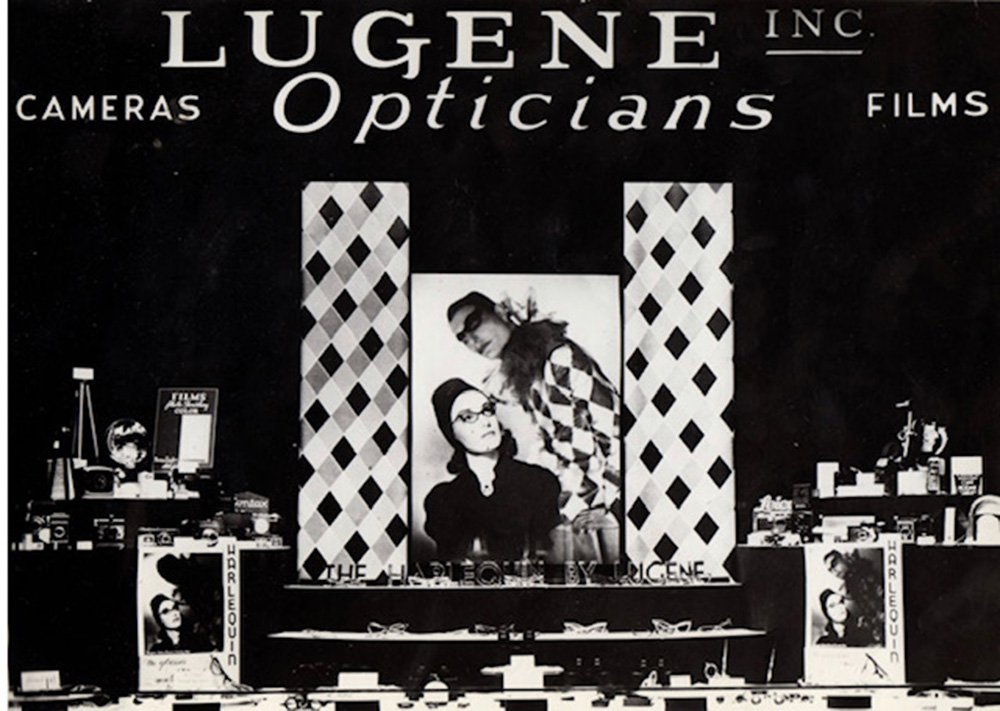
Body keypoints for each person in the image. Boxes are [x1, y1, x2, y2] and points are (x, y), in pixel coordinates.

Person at [446, 291, 620, 562]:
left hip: (599, 514)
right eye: (463, 338)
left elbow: (617, 428)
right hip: (569, 511)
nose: (472, 341)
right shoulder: (527, 373)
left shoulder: (560, 357)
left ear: (501, 312)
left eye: (474, 324)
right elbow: (550, 443)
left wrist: (613, 504)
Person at [423, 378, 562, 562]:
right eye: (468, 417)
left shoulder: (539, 482)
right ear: (451, 433)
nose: (485, 422)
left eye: (487, 410)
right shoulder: (443, 500)